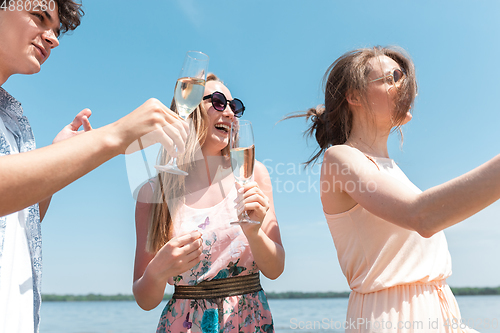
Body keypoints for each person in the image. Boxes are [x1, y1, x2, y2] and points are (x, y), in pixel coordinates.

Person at [0, 1, 189, 332]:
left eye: (56, 30)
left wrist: (59, 156)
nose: (53, 39)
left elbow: (21, 218)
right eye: (39, 17)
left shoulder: (15, 121)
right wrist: (115, 136)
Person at [290, 46, 492, 332]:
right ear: (355, 96)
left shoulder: (393, 171)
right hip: (391, 319)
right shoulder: (341, 158)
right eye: (393, 77)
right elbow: (421, 214)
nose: (407, 88)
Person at [133, 74, 284, 333]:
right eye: (217, 102)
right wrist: (157, 272)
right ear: (188, 111)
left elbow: (275, 269)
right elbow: (145, 299)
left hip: (248, 321)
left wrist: (255, 233)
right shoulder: (153, 192)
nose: (229, 112)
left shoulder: (252, 174)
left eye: (233, 106)